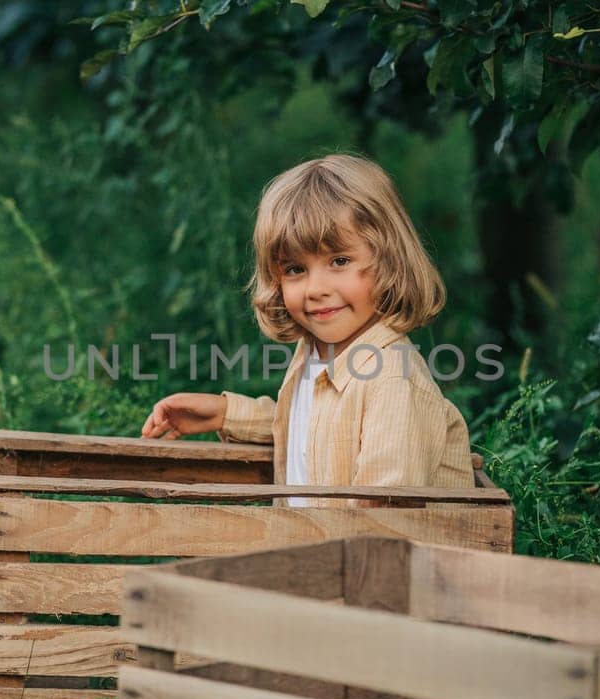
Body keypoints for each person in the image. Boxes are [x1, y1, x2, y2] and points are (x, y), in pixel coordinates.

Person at [140, 153, 474, 506]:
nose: (316, 289)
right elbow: (317, 431)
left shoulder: (392, 380)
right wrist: (225, 414)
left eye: (339, 261)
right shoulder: (315, 351)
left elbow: (382, 522)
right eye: (296, 269)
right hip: (315, 549)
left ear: (388, 260)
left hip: (369, 556)